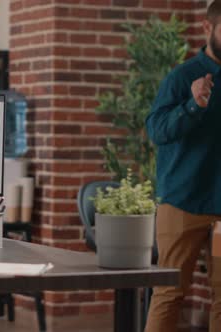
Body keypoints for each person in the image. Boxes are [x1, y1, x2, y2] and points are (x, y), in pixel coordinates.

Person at [145, 2, 221, 331]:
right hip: (183, 202)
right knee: (170, 292)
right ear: (208, 28)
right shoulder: (182, 77)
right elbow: (157, 131)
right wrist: (193, 105)